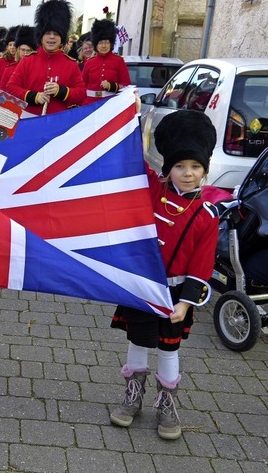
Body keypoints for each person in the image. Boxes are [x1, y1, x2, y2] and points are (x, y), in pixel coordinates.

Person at [110, 110, 219, 440]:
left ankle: (167, 406)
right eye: (180, 166)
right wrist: (127, 120)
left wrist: (186, 304)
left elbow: (202, 264)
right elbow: (132, 161)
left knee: (169, 349)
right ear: (167, 168)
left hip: (175, 297)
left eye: (195, 167)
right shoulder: (151, 193)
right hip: (142, 288)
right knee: (138, 342)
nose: (187, 174)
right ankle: (132, 399)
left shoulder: (206, 214)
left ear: (204, 171)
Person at [6, 0, 85, 115]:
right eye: (48, 33)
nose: (52, 37)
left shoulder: (71, 64)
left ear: (62, 38)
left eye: (56, 34)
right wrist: (34, 96)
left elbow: (81, 94)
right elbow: (11, 88)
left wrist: (61, 91)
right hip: (30, 120)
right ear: (41, 36)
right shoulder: (28, 60)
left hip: (58, 123)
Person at [81, 19, 131, 105]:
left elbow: (126, 86)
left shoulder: (119, 61)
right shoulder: (89, 63)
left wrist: (112, 86)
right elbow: (82, 86)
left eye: (106, 42)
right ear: (96, 44)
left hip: (110, 104)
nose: (103, 46)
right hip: (89, 104)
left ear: (111, 44)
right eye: (100, 43)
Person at [0, 25, 36, 92]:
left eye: (28, 50)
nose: (25, 53)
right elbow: (2, 90)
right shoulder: (9, 69)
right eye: (23, 50)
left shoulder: (36, 69)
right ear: (18, 50)